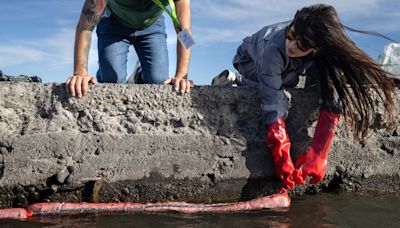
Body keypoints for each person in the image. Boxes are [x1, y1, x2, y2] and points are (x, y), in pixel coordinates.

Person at [212, 4, 397, 189]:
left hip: (298, 63)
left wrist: (319, 154)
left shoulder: (320, 46)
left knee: (326, 73)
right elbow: (273, 100)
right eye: (291, 35)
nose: (291, 45)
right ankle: (237, 78)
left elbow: (335, 95)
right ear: (291, 26)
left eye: (301, 43)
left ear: (316, 47)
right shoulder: (274, 49)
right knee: (285, 81)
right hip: (248, 61)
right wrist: (282, 153)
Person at [66, 0, 193, 97]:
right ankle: (105, 69)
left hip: (151, 25)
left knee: (158, 81)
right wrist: (80, 73)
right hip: (113, 23)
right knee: (112, 80)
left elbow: (185, 32)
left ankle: (138, 76)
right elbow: (85, 27)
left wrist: (182, 75)